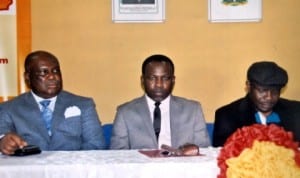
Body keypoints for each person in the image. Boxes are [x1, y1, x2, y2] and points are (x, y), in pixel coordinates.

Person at [0, 50, 106, 155]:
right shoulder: (9, 108)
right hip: (29, 170)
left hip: (73, 169)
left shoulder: (84, 105)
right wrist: (3, 141)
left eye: (55, 71)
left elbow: (96, 145)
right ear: (28, 77)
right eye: (43, 72)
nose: (52, 77)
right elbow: (3, 134)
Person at [110, 54, 210, 149]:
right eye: (152, 78)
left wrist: (193, 151)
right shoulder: (125, 113)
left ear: (173, 80)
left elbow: (205, 150)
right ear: (142, 80)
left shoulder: (192, 110)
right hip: (141, 167)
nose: (159, 84)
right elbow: (117, 154)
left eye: (165, 78)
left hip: (181, 166)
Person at [213, 61, 300, 147]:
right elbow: (224, 154)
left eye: (275, 91)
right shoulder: (227, 116)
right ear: (248, 86)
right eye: (262, 90)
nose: (269, 97)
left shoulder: (296, 112)